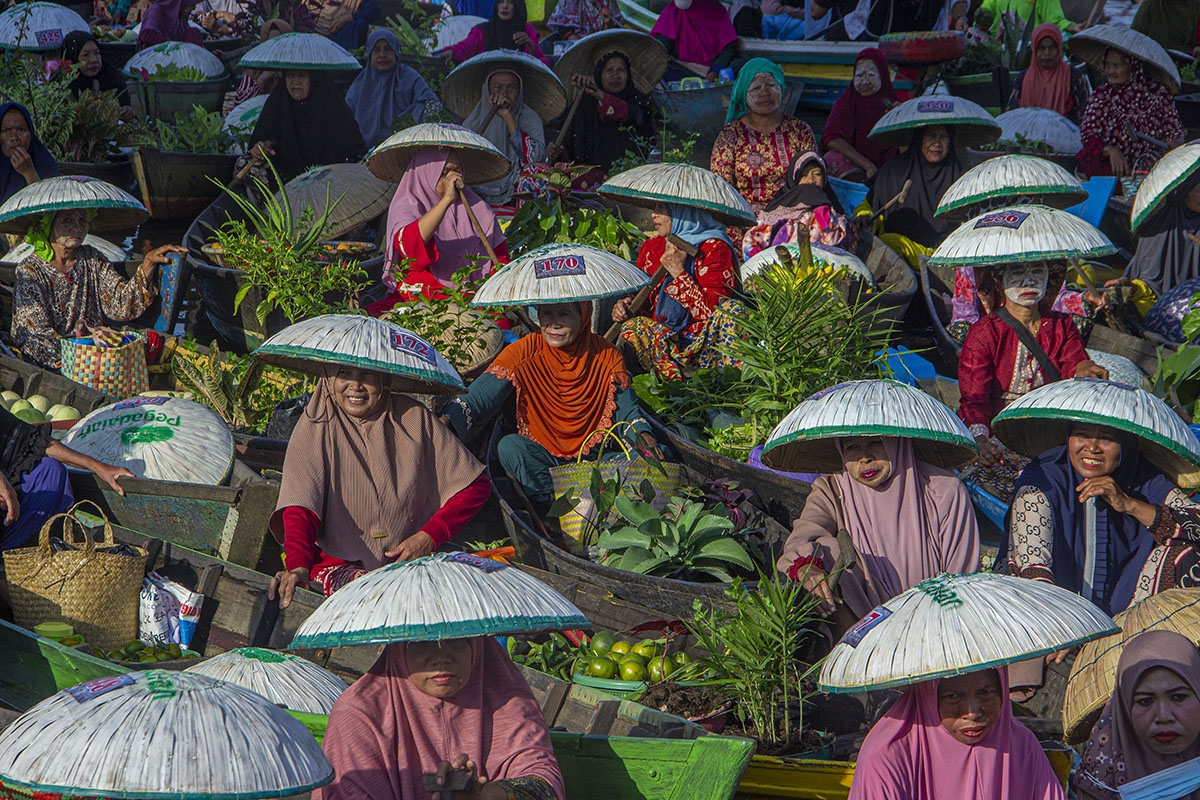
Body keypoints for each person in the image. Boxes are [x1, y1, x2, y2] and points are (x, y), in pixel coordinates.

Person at [267, 365, 490, 604]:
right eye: (344, 374)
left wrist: (428, 537)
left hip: (409, 561)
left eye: (367, 375)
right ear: (329, 378)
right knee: (383, 597)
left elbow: (474, 485)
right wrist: (298, 566)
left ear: (384, 379)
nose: (355, 385)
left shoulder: (414, 417)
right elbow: (300, 507)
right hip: (341, 566)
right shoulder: (315, 425)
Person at [442, 302, 656, 507]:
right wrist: (445, 421)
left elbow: (629, 413)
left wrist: (644, 437)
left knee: (653, 454)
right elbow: (479, 397)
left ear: (583, 317)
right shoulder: (523, 351)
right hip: (545, 461)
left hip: (597, 461)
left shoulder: (606, 354)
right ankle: (557, 508)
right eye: (547, 314)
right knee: (510, 447)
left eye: (564, 314)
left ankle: (593, 502)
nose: (554, 324)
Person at [316, 638, 563, 800]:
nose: (441, 656)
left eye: (455, 640)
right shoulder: (360, 714)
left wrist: (488, 795)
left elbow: (543, 782)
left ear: (476, 643)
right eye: (421, 642)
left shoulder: (508, 699)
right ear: (398, 646)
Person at [1007, 418, 1200, 616]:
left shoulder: (1142, 476)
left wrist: (1129, 504)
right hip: (1051, 618)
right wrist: (1061, 628)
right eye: (1082, 435)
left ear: (1125, 443)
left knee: (1188, 548)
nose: (1091, 448)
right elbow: (1033, 567)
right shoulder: (1042, 481)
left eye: (1106, 439)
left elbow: (1197, 521)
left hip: (1130, 617)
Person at [778, 435, 980, 622]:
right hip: (865, 624)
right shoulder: (831, 491)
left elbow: (962, 578)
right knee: (828, 549)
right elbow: (800, 540)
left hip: (935, 618)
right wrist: (807, 568)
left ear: (897, 442)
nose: (864, 458)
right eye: (852, 447)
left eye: (876, 442)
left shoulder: (943, 490)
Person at [957, 263, 1106, 461]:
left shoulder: (1062, 325)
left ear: (1048, 279)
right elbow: (975, 397)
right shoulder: (985, 332)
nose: (1028, 281)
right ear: (999, 284)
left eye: (1037, 272)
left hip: (1047, 428)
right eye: (1017, 273)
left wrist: (1085, 367)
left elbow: (1074, 362)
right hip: (997, 432)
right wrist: (981, 440)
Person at [848, 666, 1066, 800]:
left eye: (986, 693)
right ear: (929, 696)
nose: (972, 712)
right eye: (952, 696)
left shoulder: (1021, 745)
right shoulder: (888, 755)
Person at [11, 210, 186, 370]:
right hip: (62, 351)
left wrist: (148, 263)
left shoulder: (91, 257)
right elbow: (35, 334)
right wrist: (82, 343)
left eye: (82, 220)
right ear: (49, 224)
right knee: (39, 345)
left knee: (150, 341)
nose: (76, 227)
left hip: (96, 345)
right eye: (67, 220)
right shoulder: (30, 270)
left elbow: (120, 304)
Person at [366, 148, 508, 316]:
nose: (453, 178)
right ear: (426, 172)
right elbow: (410, 248)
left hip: (470, 301)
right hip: (419, 300)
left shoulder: (477, 208)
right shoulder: (407, 205)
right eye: (444, 172)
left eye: (457, 170)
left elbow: (500, 260)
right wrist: (446, 200)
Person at [612, 203, 742, 381]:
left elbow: (713, 313)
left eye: (662, 209)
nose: (653, 215)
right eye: (654, 208)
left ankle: (729, 385)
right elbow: (641, 302)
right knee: (633, 327)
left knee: (732, 311)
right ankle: (668, 387)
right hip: (665, 344)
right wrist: (623, 307)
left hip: (707, 344)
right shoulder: (651, 247)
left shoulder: (714, 248)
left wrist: (678, 273)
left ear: (684, 212)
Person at [1076, 630, 1200, 799]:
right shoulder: (1101, 778)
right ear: (1124, 707)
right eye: (1145, 701)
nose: (1163, 716)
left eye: (1178, 697)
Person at [711, 60, 816, 216]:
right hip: (745, 217)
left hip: (792, 213)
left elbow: (811, 178)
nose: (765, 93)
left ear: (781, 89)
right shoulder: (731, 135)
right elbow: (721, 186)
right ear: (744, 94)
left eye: (772, 86)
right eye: (756, 88)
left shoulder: (800, 130)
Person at [863, 125, 964, 265]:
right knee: (889, 241)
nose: (937, 143)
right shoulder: (895, 169)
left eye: (943, 137)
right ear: (918, 138)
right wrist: (865, 217)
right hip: (897, 253)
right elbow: (869, 206)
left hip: (943, 255)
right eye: (930, 136)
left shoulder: (961, 178)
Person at [1077, 47, 1184, 178]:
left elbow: (1175, 133)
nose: (1110, 71)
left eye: (1116, 65)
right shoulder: (1101, 95)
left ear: (1132, 66)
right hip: (1114, 168)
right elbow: (1088, 135)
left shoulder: (1158, 93)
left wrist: (1174, 159)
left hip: (1152, 167)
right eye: (1108, 65)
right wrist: (1110, 150)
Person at [246, 69, 367, 184]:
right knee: (246, 164)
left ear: (313, 78)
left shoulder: (331, 104)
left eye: (301, 75)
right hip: (287, 182)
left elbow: (354, 150)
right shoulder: (278, 103)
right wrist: (258, 149)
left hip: (332, 180)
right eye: (290, 76)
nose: (295, 81)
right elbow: (259, 140)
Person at [546, 50, 656, 173]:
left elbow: (631, 114)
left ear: (628, 74)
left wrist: (599, 95)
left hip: (629, 175)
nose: (616, 75)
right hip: (588, 180)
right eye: (609, 70)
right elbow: (569, 142)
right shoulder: (585, 101)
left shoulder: (638, 100)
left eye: (621, 70)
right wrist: (556, 151)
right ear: (599, 74)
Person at [742, 150, 852, 257]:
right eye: (804, 175)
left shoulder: (831, 211)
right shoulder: (777, 211)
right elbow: (752, 244)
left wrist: (822, 209)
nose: (811, 180)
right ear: (794, 178)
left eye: (817, 174)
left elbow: (832, 241)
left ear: (824, 180)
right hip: (780, 269)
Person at [461, 70, 546, 205]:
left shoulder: (531, 118)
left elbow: (535, 159)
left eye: (511, 88)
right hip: (477, 191)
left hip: (514, 190)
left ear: (519, 92)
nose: (504, 93)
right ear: (488, 91)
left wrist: (507, 117)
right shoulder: (473, 121)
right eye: (498, 87)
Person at [346, 30, 437, 148]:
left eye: (388, 49)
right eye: (377, 50)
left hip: (404, 145)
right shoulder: (360, 85)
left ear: (395, 52)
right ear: (370, 54)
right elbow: (346, 117)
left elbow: (432, 102)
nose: (382, 55)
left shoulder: (408, 77)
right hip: (364, 151)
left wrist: (405, 124)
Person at [1123, 169, 1200, 301]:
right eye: (1199, 191)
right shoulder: (1159, 228)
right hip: (1158, 302)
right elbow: (1149, 281)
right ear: (1185, 193)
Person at [821, 48, 898, 180]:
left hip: (887, 173)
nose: (865, 81)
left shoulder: (892, 106)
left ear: (883, 76)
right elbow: (831, 139)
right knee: (831, 158)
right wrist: (867, 165)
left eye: (871, 75)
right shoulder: (846, 102)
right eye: (859, 75)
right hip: (855, 168)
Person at [1006, 24, 1092, 126]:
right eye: (1041, 48)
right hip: (1028, 137)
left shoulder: (1074, 77)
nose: (1047, 53)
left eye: (1052, 47)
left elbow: (1085, 116)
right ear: (1034, 50)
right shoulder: (1023, 78)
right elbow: (1012, 116)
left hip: (1066, 137)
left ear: (1059, 48)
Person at [442, 0, 552, 67]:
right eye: (501, 2)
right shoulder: (483, 30)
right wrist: (452, 52)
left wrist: (529, 44)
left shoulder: (526, 29)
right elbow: (466, 47)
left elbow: (538, 62)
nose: (505, 6)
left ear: (518, 6)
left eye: (510, 2)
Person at [650, 0, 737, 83]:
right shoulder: (673, 11)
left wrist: (715, 70)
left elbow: (729, 47)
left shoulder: (717, 11)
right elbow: (662, 49)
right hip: (680, 68)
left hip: (709, 70)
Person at [224, 19, 291, 113]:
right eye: (271, 43)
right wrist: (262, 79)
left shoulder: (293, 67)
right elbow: (239, 104)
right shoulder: (255, 67)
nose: (275, 47)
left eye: (280, 43)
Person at [0, 104, 56, 206]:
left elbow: (50, 211)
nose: (14, 137)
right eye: (6, 130)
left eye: (21, 130)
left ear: (31, 134)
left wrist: (29, 173)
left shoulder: (43, 162)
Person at [61, 31, 132, 112]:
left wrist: (126, 111)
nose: (94, 60)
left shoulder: (112, 79)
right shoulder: (62, 87)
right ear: (73, 59)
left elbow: (125, 105)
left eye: (97, 53)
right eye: (86, 55)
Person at [1132, 0, 1200, 57]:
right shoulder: (1153, 4)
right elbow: (1135, 37)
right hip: (1155, 58)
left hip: (1186, 60)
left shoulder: (1196, 5)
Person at [304, 0, 380, 50]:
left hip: (338, 39)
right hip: (310, 36)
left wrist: (349, 18)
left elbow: (374, 11)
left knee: (361, 24)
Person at [977, 0, 1083, 33]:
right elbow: (985, 11)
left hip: (1028, 49)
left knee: (1012, 16)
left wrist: (1073, 27)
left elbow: (1055, 20)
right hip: (996, 47)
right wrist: (981, 19)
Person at [136, 0, 203, 49]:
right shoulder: (156, 10)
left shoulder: (180, 16)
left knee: (193, 33)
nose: (193, 8)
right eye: (191, 4)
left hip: (177, 58)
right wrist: (170, 45)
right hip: (156, 57)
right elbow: (147, 34)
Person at [546, 0, 625, 39]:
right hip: (578, 50)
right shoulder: (570, 2)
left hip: (602, 46)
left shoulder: (608, 2)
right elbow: (567, 33)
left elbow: (614, 35)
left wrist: (607, 24)